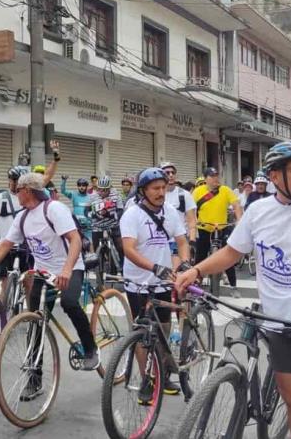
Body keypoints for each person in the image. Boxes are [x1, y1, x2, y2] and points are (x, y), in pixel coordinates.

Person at [176, 141, 291, 439]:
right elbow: (232, 253)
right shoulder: (258, 212)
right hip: (276, 323)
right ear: (274, 177)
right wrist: (196, 271)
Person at [0, 173, 99, 393]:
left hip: (70, 267)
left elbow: (75, 239)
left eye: (17, 189)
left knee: (69, 303)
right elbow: (3, 247)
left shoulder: (53, 209)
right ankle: (34, 377)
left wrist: (66, 269)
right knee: (36, 321)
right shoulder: (22, 218)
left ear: (27, 190)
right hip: (43, 273)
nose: (15, 193)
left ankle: (90, 349)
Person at [120, 167, 191, 402]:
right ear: (143, 191)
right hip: (138, 283)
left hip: (163, 282)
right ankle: (147, 381)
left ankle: (161, 373)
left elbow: (182, 242)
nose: (161, 192)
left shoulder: (170, 212)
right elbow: (128, 249)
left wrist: (184, 263)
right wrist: (153, 267)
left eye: (163, 187)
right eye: (156, 188)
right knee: (143, 334)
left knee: (163, 330)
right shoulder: (132, 215)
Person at [192, 167, 243, 298]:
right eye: (212, 176)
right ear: (205, 178)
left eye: (217, 176)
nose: (215, 178)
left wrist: (239, 221)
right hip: (204, 229)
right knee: (200, 258)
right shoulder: (198, 191)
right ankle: (197, 284)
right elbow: (191, 210)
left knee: (228, 257)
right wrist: (194, 222)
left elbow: (236, 205)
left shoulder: (225, 190)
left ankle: (233, 286)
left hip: (222, 228)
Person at [0, 166, 32, 298]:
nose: (16, 184)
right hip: (5, 246)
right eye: (14, 180)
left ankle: (31, 314)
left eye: (20, 181)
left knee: (28, 281)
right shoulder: (0, 198)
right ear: (9, 180)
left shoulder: (29, 198)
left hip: (25, 246)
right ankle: (4, 314)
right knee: (5, 281)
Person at [88, 175, 124, 273]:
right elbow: (86, 211)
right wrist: (93, 215)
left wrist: (111, 215)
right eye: (100, 190)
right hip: (97, 225)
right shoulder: (93, 196)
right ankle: (98, 268)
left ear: (110, 188)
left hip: (112, 224)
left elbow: (120, 210)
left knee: (120, 246)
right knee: (96, 249)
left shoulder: (116, 195)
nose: (102, 192)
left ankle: (122, 268)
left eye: (105, 190)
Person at [159, 162, 197, 254]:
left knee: (177, 268)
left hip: (179, 242)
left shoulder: (184, 195)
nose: (171, 175)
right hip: (159, 243)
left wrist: (192, 241)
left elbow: (192, 221)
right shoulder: (156, 194)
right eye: (167, 173)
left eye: (173, 172)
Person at [60, 175, 92, 240]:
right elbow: (63, 191)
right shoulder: (73, 194)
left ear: (86, 186)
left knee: (90, 243)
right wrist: (64, 180)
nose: (81, 187)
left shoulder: (91, 197)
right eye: (79, 185)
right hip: (76, 224)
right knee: (77, 242)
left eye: (83, 185)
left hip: (88, 226)